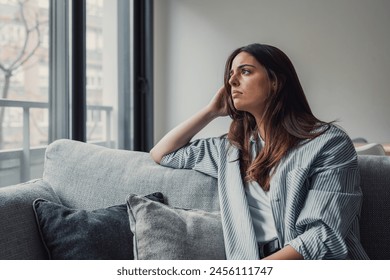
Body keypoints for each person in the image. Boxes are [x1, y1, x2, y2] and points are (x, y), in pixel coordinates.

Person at [150, 43, 369, 260]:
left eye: (245, 71)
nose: (232, 81)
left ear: (275, 82)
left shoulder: (329, 143)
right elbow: (163, 153)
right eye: (230, 74)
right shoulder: (231, 151)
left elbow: (323, 235)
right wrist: (211, 112)